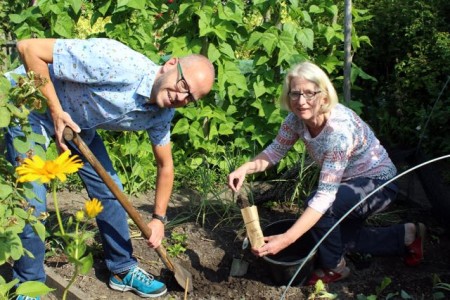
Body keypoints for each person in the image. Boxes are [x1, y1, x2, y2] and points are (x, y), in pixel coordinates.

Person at [4, 38, 215, 299]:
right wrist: (56, 111)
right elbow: (28, 48)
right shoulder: (116, 62)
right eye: (184, 85)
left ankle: (122, 268)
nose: (181, 97)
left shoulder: (161, 114)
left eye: (190, 98)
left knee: (111, 191)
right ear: (171, 64)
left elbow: (165, 165)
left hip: (77, 124)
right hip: (29, 105)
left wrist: (159, 220)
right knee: (32, 199)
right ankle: (28, 284)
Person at [227, 61, 425, 285]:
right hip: (347, 185)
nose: (301, 101)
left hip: (377, 183)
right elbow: (275, 151)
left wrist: (287, 239)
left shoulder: (337, 133)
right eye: (295, 94)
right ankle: (407, 235)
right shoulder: (295, 120)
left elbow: (324, 198)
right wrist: (246, 167)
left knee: (323, 210)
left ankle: (335, 268)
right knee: (339, 240)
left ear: (323, 94)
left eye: (309, 93)